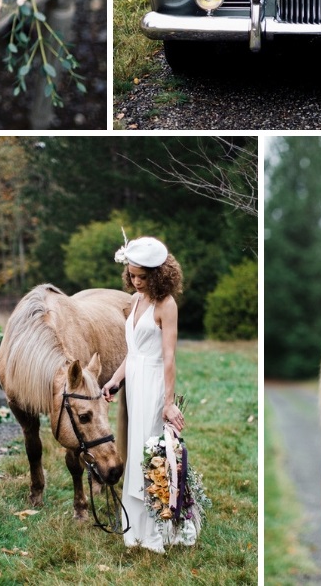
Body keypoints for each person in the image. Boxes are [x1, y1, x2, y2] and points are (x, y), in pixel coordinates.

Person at [102, 235, 197, 552]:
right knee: (135, 448)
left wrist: (168, 403)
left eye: (142, 276)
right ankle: (136, 528)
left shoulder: (166, 305)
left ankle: (160, 529)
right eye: (132, 275)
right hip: (135, 383)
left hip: (155, 382)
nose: (136, 281)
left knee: (153, 452)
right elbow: (133, 352)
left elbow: (168, 356)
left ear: (157, 274)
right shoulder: (136, 301)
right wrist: (115, 381)